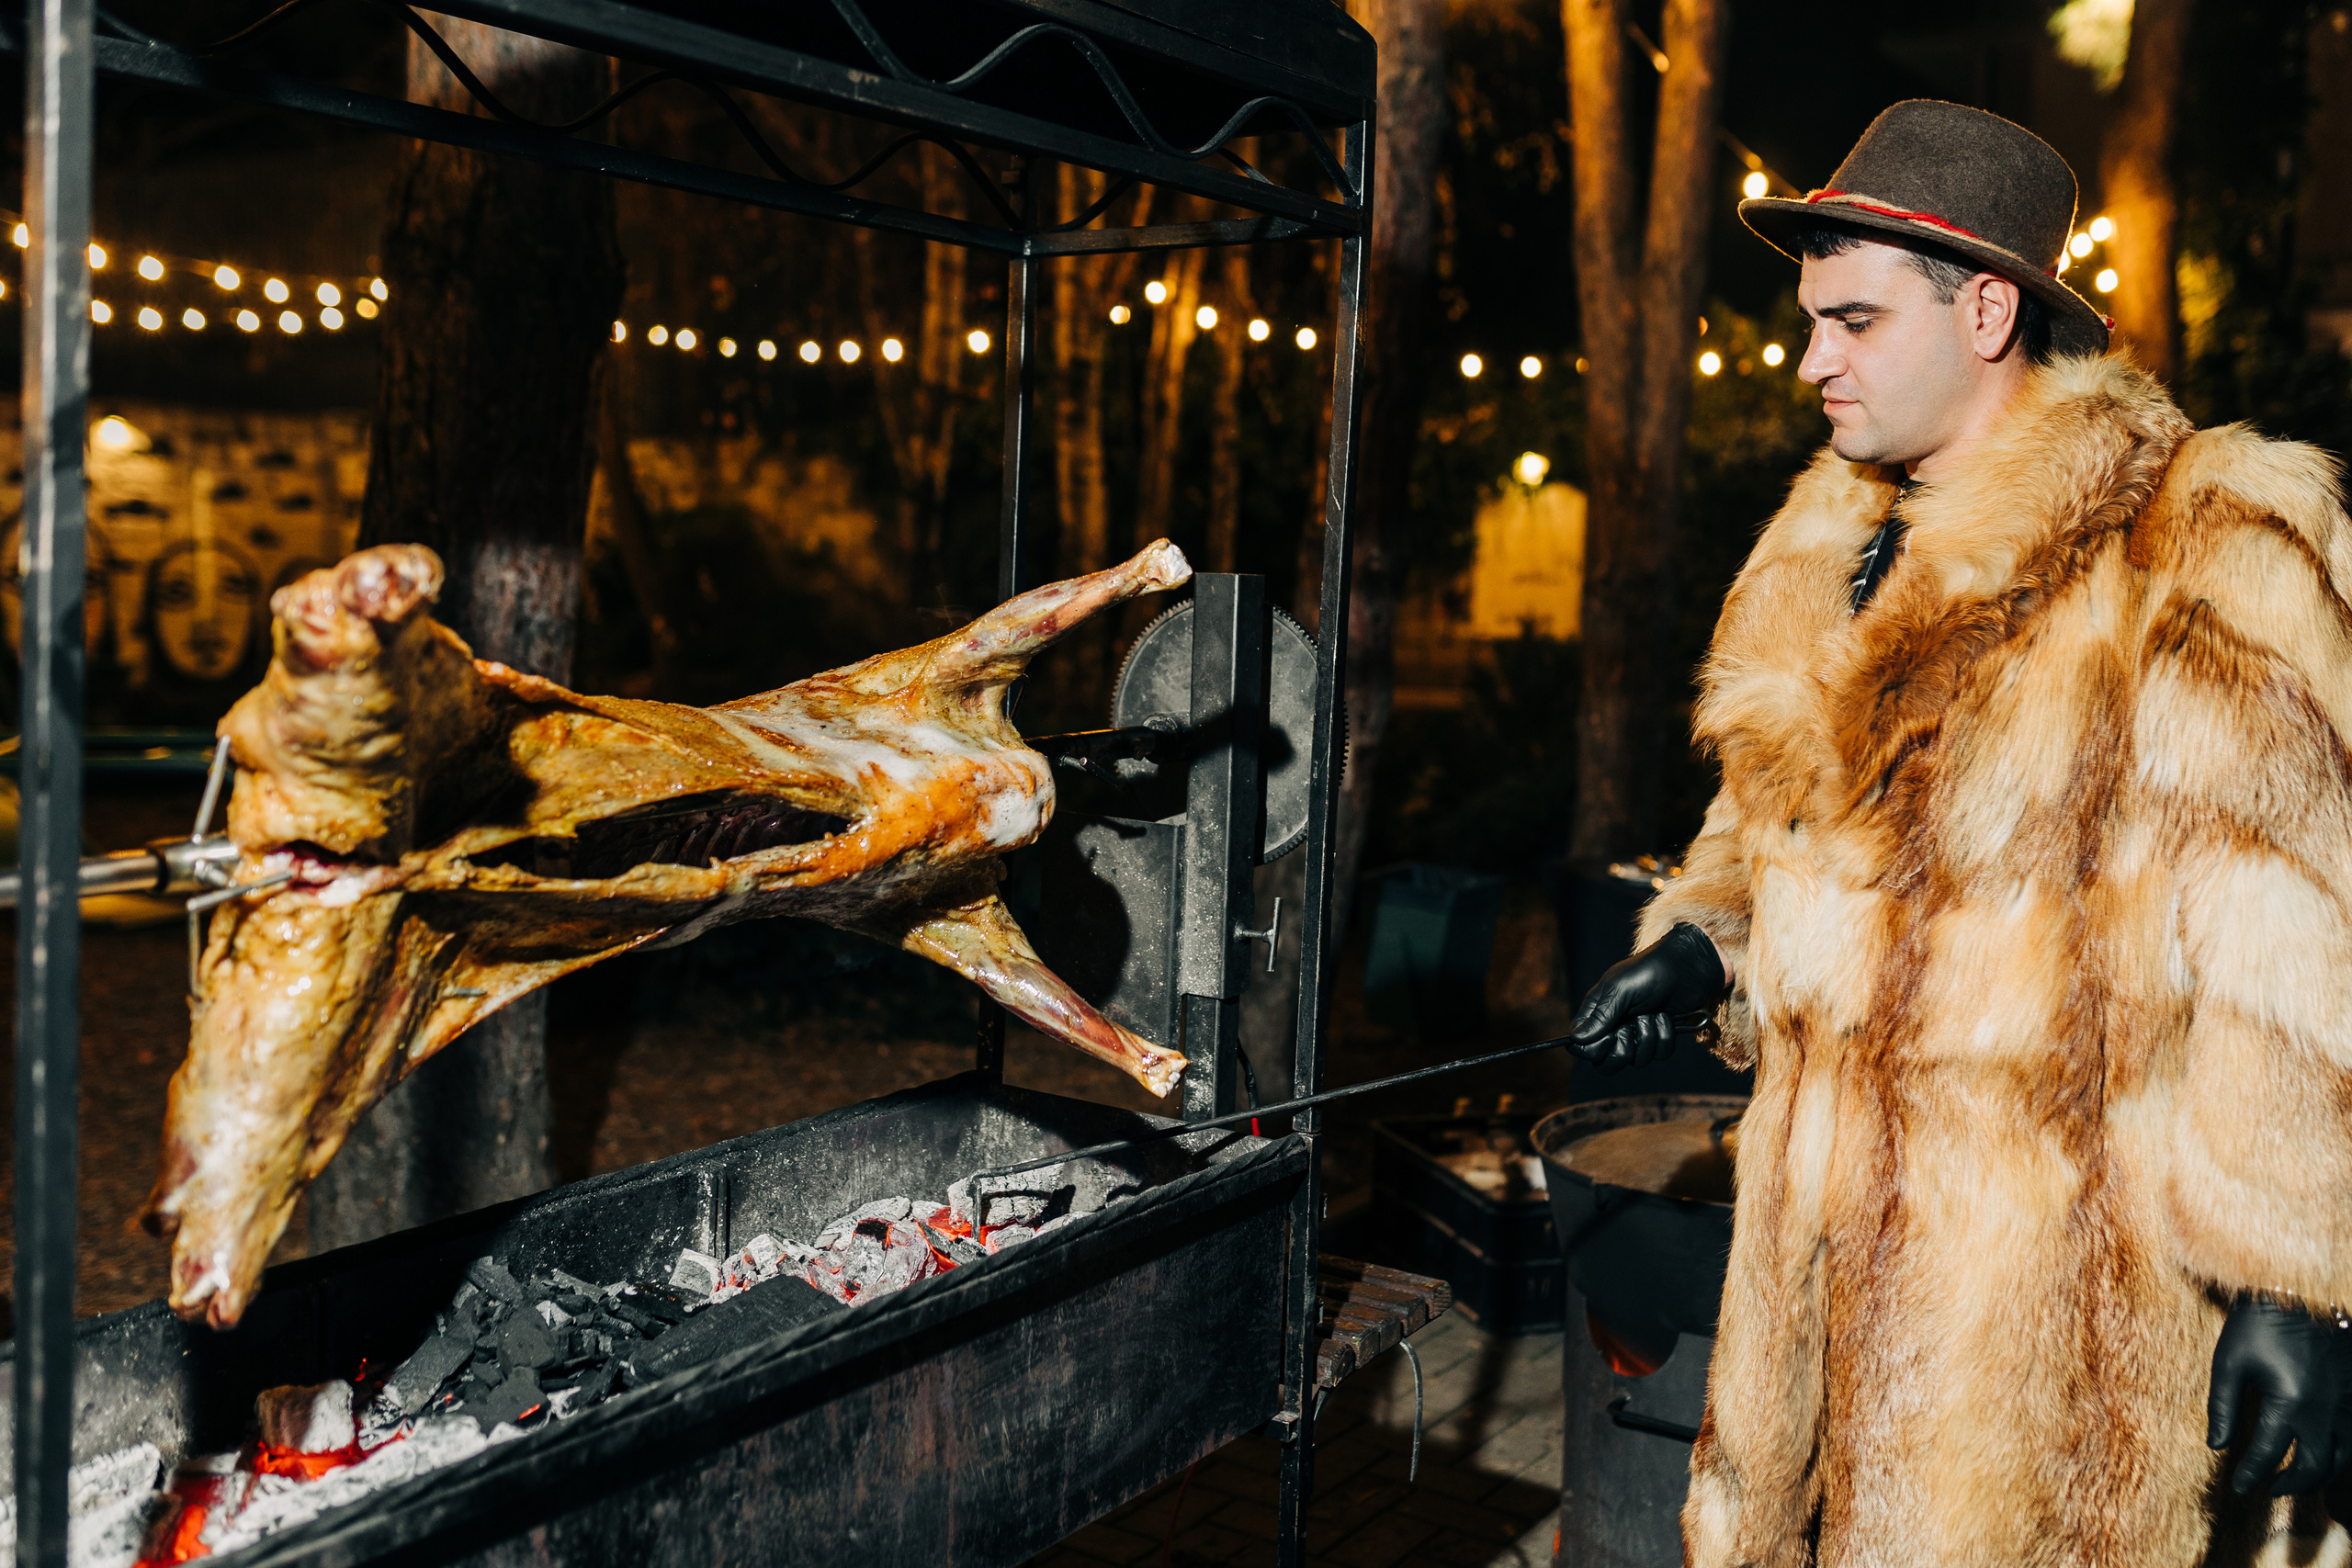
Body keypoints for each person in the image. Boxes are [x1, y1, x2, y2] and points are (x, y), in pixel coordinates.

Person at [1569, 99, 2352, 1564]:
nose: (1814, 360)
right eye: (1812, 320)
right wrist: (1706, 942)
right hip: (1802, 1282)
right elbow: (1778, 825)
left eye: (1857, 320)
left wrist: (2294, 1281)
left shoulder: (2196, 537)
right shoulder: (1823, 544)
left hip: (2037, 1326)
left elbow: (2297, 938)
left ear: (1987, 309)